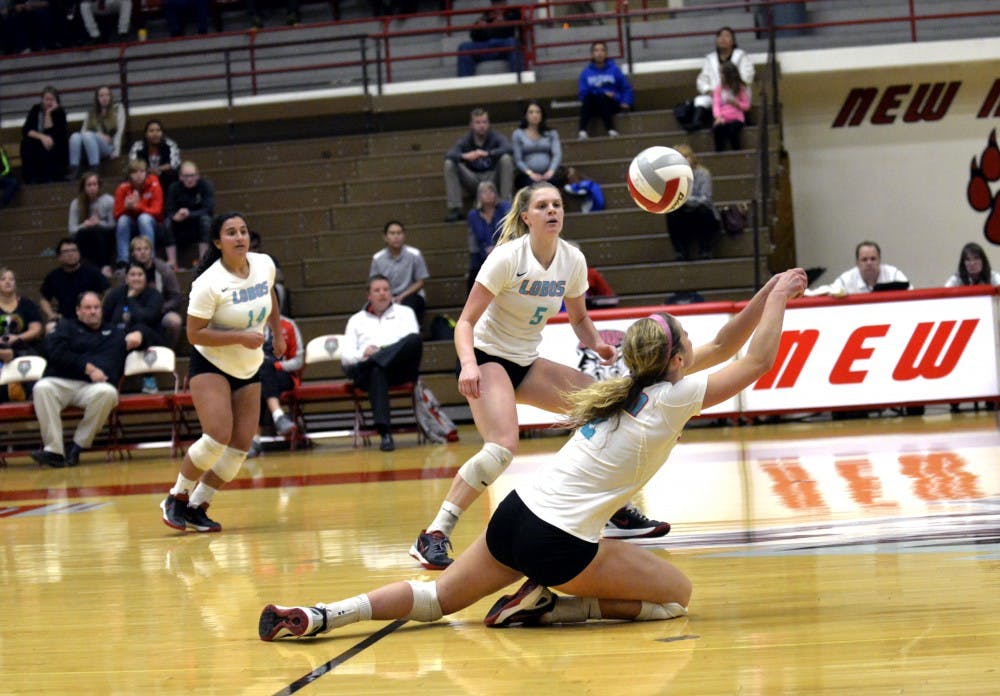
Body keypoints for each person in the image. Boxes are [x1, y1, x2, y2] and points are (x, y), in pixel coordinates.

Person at [258, 268, 808, 641]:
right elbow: (754, 359)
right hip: (559, 542)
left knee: (436, 599)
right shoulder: (676, 395)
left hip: (516, 514)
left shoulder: (625, 382)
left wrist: (767, 292)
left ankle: (322, 614)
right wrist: (781, 301)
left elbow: (727, 341)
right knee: (676, 598)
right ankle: (553, 604)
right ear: (680, 359)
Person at [408, 182, 668, 572]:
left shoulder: (572, 259)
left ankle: (613, 512)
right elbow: (464, 322)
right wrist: (467, 364)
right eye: (543, 206)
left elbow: (579, 317)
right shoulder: (507, 258)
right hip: (486, 357)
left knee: (610, 407)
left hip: (526, 361)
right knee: (501, 447)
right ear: (526, 216)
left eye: (558, 205)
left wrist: (596, 344)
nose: (552, 211)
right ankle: (435, 533)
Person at [160, 212, 282, 533]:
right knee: (217, 436)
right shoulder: (208, 283)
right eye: (231, 233)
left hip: (249, 366)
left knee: (240, 447)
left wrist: (278, 333)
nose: (240, 237)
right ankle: (177, 496)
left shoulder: (264, 264)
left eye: (243, 231)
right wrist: (240, 337)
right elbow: (194, 334)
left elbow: (270, 292)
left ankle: (199, 505)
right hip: (211, 363)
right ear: (218, 242)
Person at [29, 291, 152, 468]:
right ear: (78, 311)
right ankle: (54, 450)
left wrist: (141, 334)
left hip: (94, 389)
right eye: (88, 308)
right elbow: (54, 352)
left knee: (109, 393)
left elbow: (157, 337)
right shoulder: (66, 327)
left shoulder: (115, 333)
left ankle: (76, 447)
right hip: (62, 383)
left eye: (96, 307)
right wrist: (88, 368)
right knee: (42, 388)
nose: (93, 311)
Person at [340, 274, 423, 452]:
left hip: (399, 369)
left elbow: (410, 345)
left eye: (386, 290)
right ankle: (385, 433)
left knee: (414, 340)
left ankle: (374, 361)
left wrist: (380, 351)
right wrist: (363, 353)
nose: (382, 294)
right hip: (371, 374)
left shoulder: (405, 313)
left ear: (391, 293)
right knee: (377, 370)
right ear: (369, 296)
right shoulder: (356, 320)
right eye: (377, 290)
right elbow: (346, 357)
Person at [102, 261, 165, 393]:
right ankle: (110, 384)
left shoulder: (154, 295)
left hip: (151, 338)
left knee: (139, 330)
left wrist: (131, 299)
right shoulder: (115, 294)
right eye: (132, 275)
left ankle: (149, 379)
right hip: (120, 337)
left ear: (145, 277)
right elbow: (104, 319)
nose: (136, 278)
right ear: (126, 278)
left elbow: (146, 318)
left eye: (140, 275)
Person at [443, 108, 514, 223]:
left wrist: (488, 153)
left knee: (506, 159)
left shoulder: (495, 137)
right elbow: (449, 154)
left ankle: (506, 205)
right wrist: (465, 156)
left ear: (488, 124)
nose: (481, 126)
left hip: (492, 178)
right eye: (478, 122)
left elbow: (509, 148)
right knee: (449, 163)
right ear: (471, 125)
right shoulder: (466, 140)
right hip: (473, 180)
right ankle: (455, 208)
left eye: (484, 122)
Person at [247, 314, 302, 458]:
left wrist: (275, 365)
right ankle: (278, 416)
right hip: (258, 376)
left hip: (284, 374)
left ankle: (255, 440)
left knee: (262, 373)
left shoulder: (288, 325)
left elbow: (299, 361)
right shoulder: (248, 325)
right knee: (259, 379)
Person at [691, 26, 755, 131]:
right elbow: (702, 79)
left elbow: (747, 75)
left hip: (736, 93)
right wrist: (709, 90)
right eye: (720, 36)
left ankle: (744, 120)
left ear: (733, 41)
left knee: (737, 100)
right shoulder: (710, 59)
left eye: (726, 36)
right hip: (716, 95)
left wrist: (733, 87)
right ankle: (696, 124)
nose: (723, 39)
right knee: (700, 100)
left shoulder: (741, 56)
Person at [369, 220, 430, 329]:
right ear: (385, 237)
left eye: (399, 233)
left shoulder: (415, 254)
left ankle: (413, 332)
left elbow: (421, 281)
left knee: (412, 304)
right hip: (387, 294)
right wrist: (388, 296)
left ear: (404, 235)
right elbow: (374, 282)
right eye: (392, 233)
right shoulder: (377, 258)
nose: (396, 236)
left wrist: (402, 296)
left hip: (410, 294)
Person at [39, 238, 110, 330]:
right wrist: (51, 314)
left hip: (89, 318)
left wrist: (98, 309)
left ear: (79, 253)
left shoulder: (92, 272)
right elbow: (44, 299)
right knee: (50, 328)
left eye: (73, 250)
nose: (70, 254)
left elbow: (108, 291)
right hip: (65, 320)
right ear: (59, 257)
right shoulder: (54, 276)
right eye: (65, 251)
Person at [666, 144, 719, 261]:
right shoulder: (673, 178)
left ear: (691, 158)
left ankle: (705, 249)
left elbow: (705, 199)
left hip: (702, 213)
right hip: (684, 214)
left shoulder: (703, 173)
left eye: (685, 157)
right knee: (671, 212)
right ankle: (680, 251)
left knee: (702, 210)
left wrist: (685, 199)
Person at [129, 236, 183, 349]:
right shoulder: (128, 272)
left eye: (146, 249)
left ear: (151, 251)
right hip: (135, 309)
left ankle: (168, 351)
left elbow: (176, 297)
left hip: (162, 310)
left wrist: (158, 308)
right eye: (138, 249)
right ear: (133, 253)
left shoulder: (164, 270)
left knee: (174, 321)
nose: (143, 252)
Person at [0, 267, 43, 403]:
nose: (8, 282)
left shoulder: (26, 304)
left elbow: (36, 329)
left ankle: (30, 395)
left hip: (22, 348)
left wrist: (18, 337)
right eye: (3, 279)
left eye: (11, 279)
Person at [577, 41, 633, 140]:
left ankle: (611, 129)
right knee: (593, 97)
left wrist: (625, 101)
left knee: (603, 98)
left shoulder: (615, 70)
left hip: (612, 103)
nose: (599, 53)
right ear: (592, 54)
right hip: (593, 105)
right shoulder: (585, 73)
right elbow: (583, 93)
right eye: (596, 50)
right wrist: (601, 93)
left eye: (602, 50)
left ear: (606, 53)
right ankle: (582, 131)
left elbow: (626, 88)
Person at [164, 160, 215, 266]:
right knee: (167, 222)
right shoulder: (174, 188)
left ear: (197, 176)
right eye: (186, 176)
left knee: (206, 221)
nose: (189, 179)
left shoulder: (205, 186)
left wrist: (190, 214)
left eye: (192, 176)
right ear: (180, 177)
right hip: (180, 227)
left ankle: (203, 259)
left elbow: (209, 209)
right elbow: (169, 209)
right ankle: (172, 261)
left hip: (198, 225)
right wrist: (175, 216)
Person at [114, 158, 164, 267]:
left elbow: (157, 212)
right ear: (129, 175)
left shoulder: (154, 183)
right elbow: (117, 214)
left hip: (153, 224)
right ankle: (123, 260)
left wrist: (138, 206)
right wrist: (126, 208)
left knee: (144, 218)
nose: (138, 175)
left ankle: (150, 257)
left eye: (141, 171)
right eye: (135, 172)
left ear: (146, 173)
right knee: (123, 220)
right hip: (131, 224)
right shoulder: (122, 188)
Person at [68, 86, 125, 179]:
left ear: (111, 97)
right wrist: (98, 135)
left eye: (107, 95)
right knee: (75, 136)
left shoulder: (118, 109)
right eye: (101, 95)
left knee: (88, 135)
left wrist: (116, 151)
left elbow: (119, 132)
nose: (104, 98)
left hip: (107, 147)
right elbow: (82, 132)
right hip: (90, 145)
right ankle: (74, 169)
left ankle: (95, 169)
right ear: (97, 98)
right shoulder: (91, 113)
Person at [456, 0, 521, 77]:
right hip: (486, 46)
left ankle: (519, 79)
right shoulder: (486, 16)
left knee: (513, 43)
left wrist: (504, 24)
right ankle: (465, 83)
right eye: (495, 4)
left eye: (500, 3)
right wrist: (482, 28)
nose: (498, 6)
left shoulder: (514, 13)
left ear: (505, 3)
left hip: (504, 45)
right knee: (464, 47)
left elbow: (516, 31)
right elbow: (474, 35)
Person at [68, 172, 116, 276]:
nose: (92, 188)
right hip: (85, 236)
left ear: (99, 186)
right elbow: (72, 229)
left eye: (95, 184)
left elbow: (113, 225)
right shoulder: (76, 204)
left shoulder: (108, 200)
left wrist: (99, 223)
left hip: (104, 235)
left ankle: (105, 265)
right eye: (89, 185)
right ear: (83, 187)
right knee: (84, 233)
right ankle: (83, 267)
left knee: (97, 231)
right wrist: (84, 225)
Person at [466, 180, 510, 293]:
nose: (489, 195)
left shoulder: (504, 208)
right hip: (483, 253)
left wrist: (497, 249)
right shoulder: (473, 215)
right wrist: (487, 250)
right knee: (475, 271)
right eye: (484, 192)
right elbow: (477, 239)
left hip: (505, 249)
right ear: (479, 196)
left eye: (491, 191)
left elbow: (509, 232)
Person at [19, 85, 68, 184]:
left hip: (55, 145)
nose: (49, 102)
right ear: (42, 99)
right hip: (38, 143)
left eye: (52, 99)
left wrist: (48, 113)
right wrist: (42, 137)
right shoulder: (35, 109)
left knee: (50, 147)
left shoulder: (60, 112)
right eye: (46, 99)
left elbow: (52, 134)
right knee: (27, 143)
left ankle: (50, 177)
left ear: (56, 100)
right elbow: (26, 130)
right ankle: (30, 179)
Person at [827, 241, 911, 295]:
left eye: (873, 259)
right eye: (864, 259)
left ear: (880, 260)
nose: (869, 263)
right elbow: (831, 292)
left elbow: (911, 294)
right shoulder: (846, 279)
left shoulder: (893, 274)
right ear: (857, 263)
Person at [512, 100, 562, 191]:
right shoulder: (518, 134)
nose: (535, 115)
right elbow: (518, 160)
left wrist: (551, 171)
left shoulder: (551, 133)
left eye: (538, 112)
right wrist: (530, 173)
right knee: (532, 186)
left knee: (553, 182)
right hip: (527, 175)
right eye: (531, 112)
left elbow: (557, 155)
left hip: (548, 173)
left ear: (542, 115)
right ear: (526, 115)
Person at [128, 119, 181, 192]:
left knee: (172, 174)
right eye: (151, 131)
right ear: (145, 134)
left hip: (165, 175)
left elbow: (174, 163)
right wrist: (149, 171)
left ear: (162, 133)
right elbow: (133, 164)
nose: (155, 134)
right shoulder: (138, 146)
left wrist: (158, 169)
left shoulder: (170, 144)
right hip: (144, 174)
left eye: (158, 130)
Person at [712, 61, 751, 152]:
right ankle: (719, 152)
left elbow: (746, 105)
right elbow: (716, 105)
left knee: (733, 132)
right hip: (723, 118)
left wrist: (736, 103)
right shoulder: (719, 89)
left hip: (736, 118)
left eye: (722, 73)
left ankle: (736, 151)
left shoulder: (740, 88)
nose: (721, 76)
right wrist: (718, 117)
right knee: (717, 129)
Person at [0, 143, 18, 209]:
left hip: (2, 177)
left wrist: (2, 175)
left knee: (13, 182)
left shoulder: (1, 151)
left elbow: (7, 168)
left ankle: (3, 203)